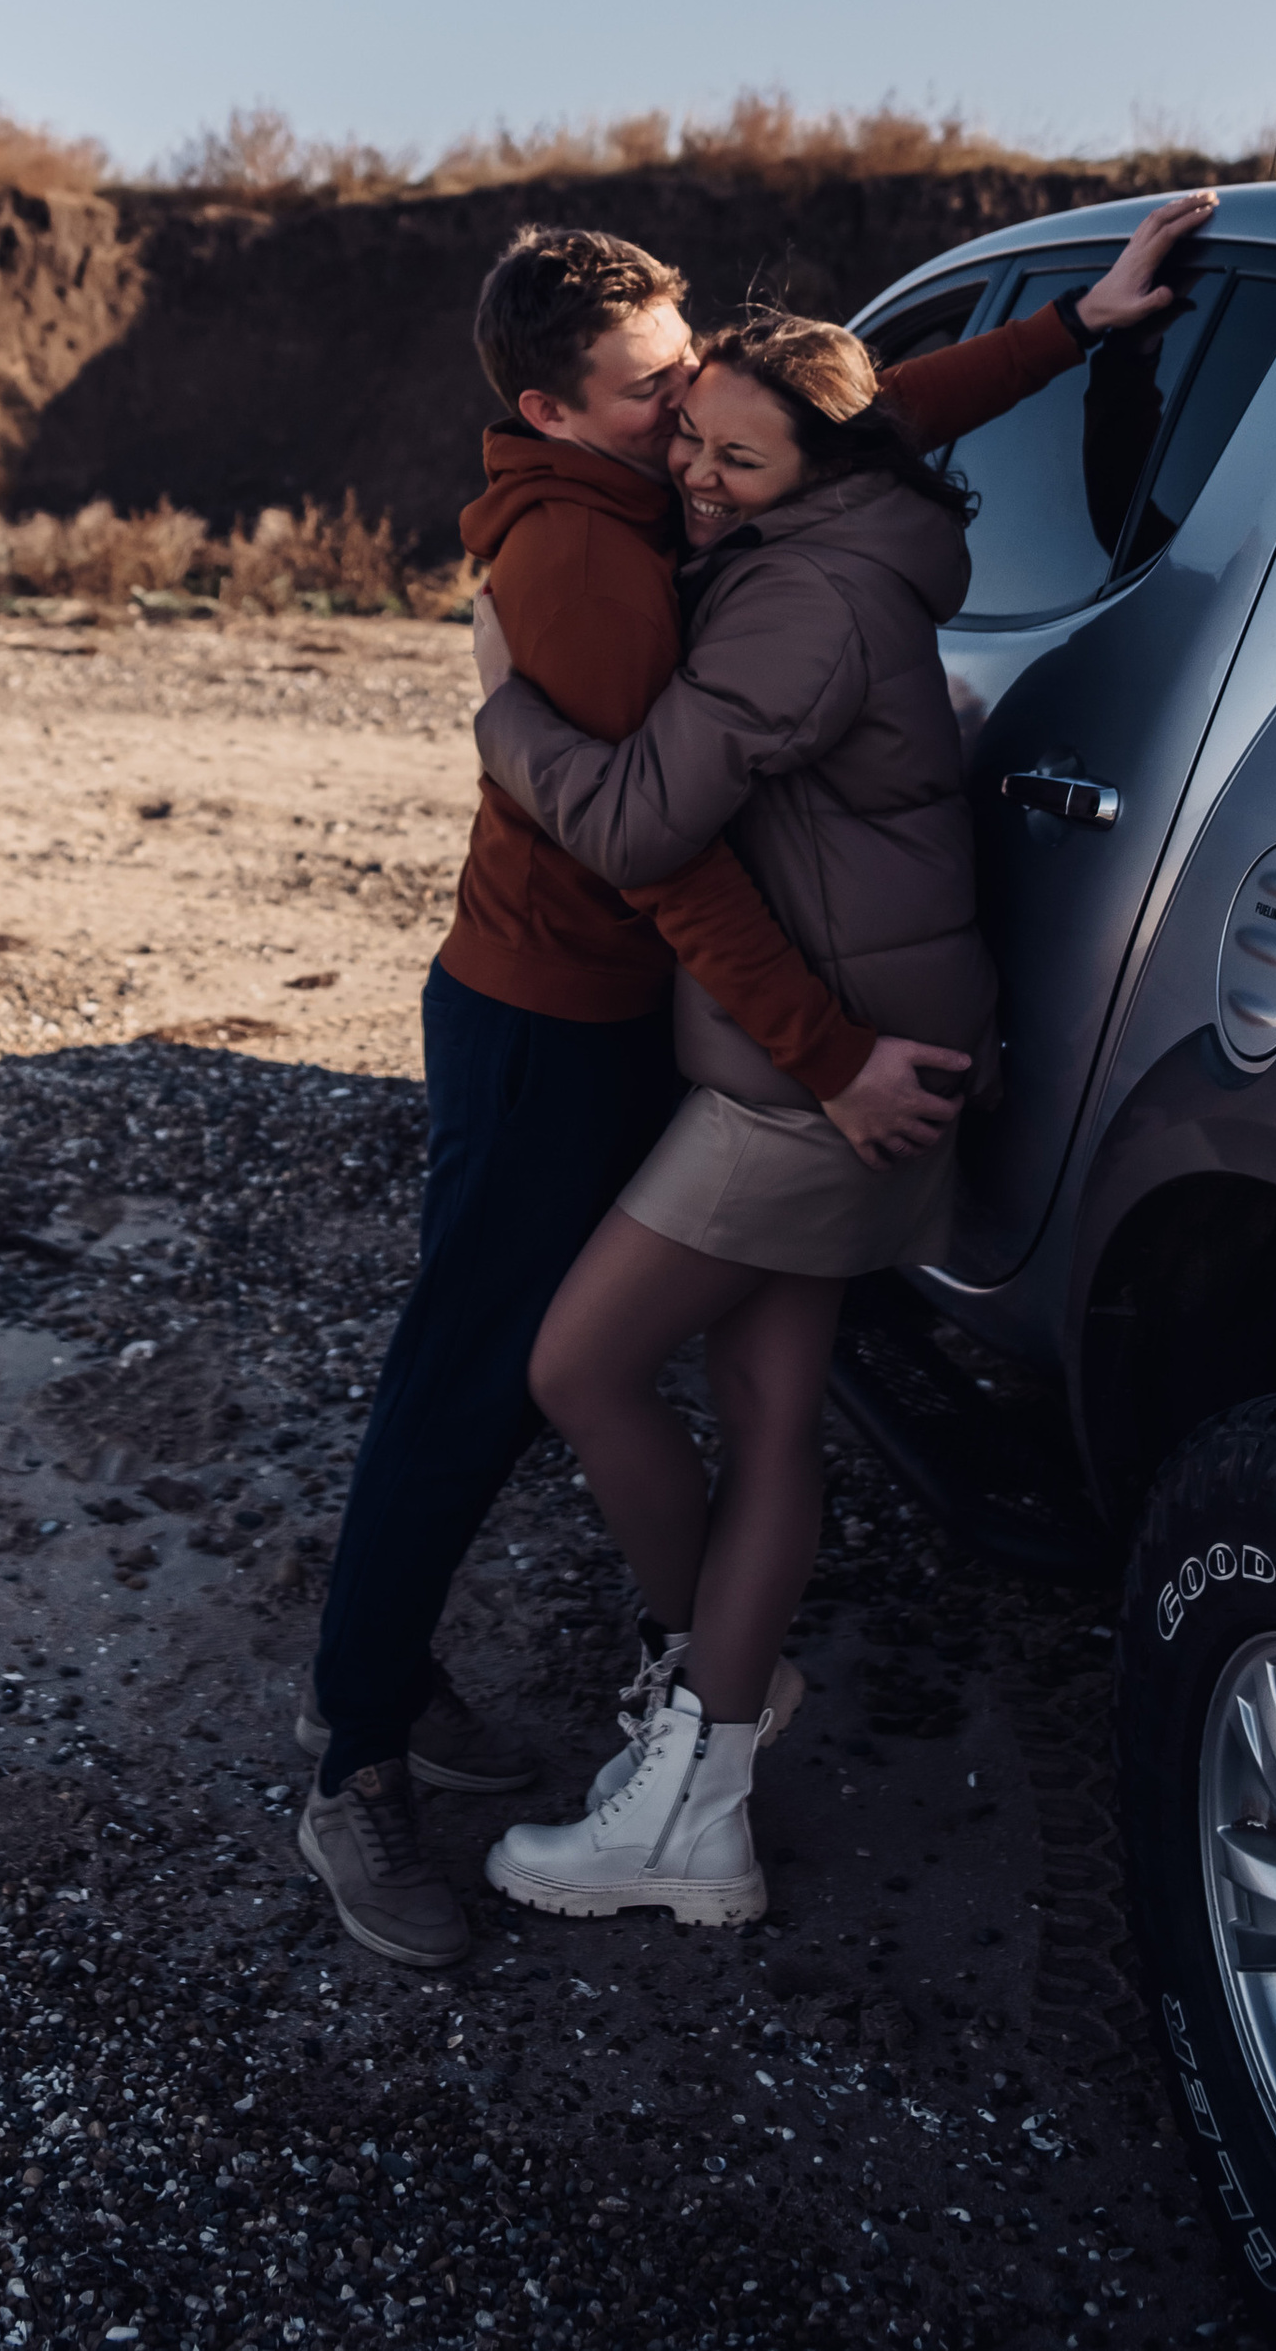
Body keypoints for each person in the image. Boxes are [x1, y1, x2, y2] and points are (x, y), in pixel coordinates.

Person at [294, 192, 1217, 1968]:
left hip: (659, 1016)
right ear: (559, 409)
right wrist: (827, 1052)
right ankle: (353, 1755)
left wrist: (1077, 333)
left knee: (568, 1370)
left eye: (692, 371)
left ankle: (542, 1669)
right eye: (655, 390)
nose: (687, 402)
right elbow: (662, 858)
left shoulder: (679, 477)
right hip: (553, 1009)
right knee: (484, 1371)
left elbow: (849, 418)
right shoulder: (585, 557)